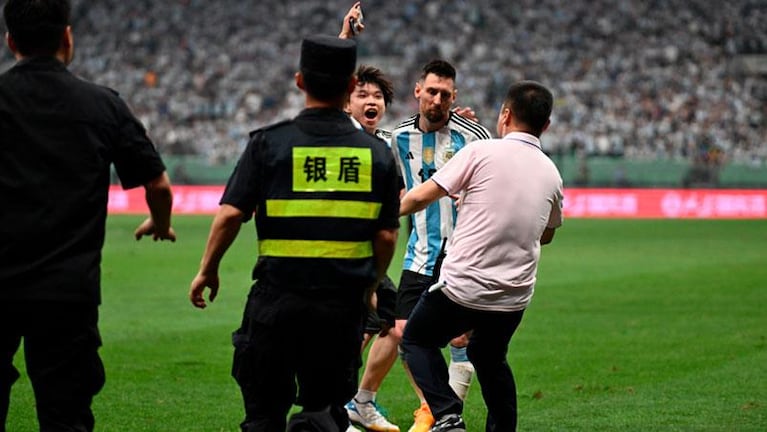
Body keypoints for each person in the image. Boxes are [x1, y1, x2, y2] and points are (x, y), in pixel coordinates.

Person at [189, 34, 400, 432]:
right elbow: (387, 237)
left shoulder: (269, 143)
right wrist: (369, 282)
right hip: (340, 310)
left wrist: (208, 269)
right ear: (352, 86)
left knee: (263, 415)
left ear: (300, 81)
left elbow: (230, 214)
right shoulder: (377, 155)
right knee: (324, 414)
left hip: (275, 305)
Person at [0, 0, 176, 431]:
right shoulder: (102, 105)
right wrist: (160, 221)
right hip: (67, 293)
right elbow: (158, 185)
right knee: (66, 415)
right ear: (67, 37)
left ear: (10, 42)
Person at [398, 80, 564, 432]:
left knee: (415, 340)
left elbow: (421, 196)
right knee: (489, 357)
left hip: (464, 288)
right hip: (512, 297)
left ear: (505, 115)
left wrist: (383, 214)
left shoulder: (482, 151)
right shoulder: (552, 173)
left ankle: (446, 416)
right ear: (545, 126)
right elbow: (546, 233)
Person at [389, 59, 492, 432]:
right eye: (431, 92)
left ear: (454, 97)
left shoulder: (475, 135)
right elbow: (395, 185)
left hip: (461, 252)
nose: (437, 100)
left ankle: (442, 415)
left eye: (445, 95)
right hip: (419, 250)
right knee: (404, 333)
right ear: (418, 91)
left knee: (458, 336)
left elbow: (494, 175)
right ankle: (433, 408)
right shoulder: (398, 138)